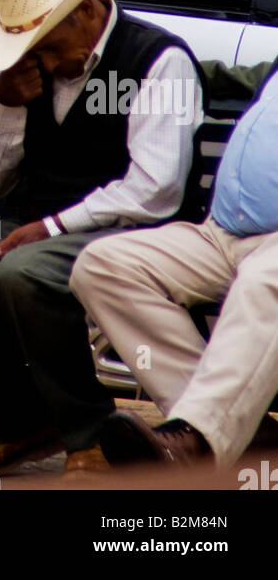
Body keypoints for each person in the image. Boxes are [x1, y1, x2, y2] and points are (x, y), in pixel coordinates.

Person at [0, 0, 205, 476]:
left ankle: (90, 430)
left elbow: (155, 190)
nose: (43, 65)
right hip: (39, 226)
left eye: (49, 46)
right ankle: (20, 419)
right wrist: (1, 104)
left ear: (86, 9)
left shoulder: (158, 59)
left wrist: (52, 226)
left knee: (26, 272)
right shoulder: (34, 67)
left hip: (134, 234)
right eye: (32, 49)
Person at [70, 56, 278, 471]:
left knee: (264, 283)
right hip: (222, 233)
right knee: (103, 264)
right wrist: (155, 62)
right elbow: (225, 76)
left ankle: (195, 442)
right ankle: (245, 438)